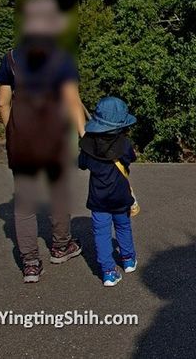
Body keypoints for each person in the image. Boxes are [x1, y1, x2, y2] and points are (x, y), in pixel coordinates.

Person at [0, 0, 86, 284]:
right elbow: (72, 102)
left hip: (22, 139)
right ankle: (61, 246)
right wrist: (86, 137)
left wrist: (14, 130)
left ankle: (31, 264)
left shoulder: (10, 58)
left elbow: (2, 103)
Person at [79, 96, 139, 287]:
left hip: (98, 199)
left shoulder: (88, 144)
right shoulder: (124, 144)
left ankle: (108, 273)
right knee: (123, 227)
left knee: (101, 233)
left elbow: (81, 164)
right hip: (120, 196)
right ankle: (128, 260)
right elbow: (131, 159)